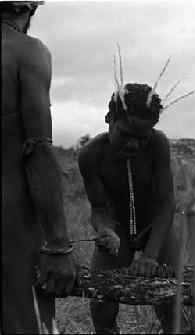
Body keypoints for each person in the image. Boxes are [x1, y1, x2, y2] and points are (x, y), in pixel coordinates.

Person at [78, 83, 180, 333]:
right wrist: (105, 230)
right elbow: (99, 209)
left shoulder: (158, 145)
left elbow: (167, 203)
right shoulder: (91, 154)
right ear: (109, 119)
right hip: (118, 230)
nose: (133, 145)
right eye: (126, 134)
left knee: (170, 303)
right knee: (102, 304)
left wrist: (151, 256)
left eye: (141, 138)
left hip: (155, 227)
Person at [2, 2, 78, 333]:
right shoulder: (27, 52)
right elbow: (38, 150)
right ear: (28, 8)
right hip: (12, 231)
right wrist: (58, 244)